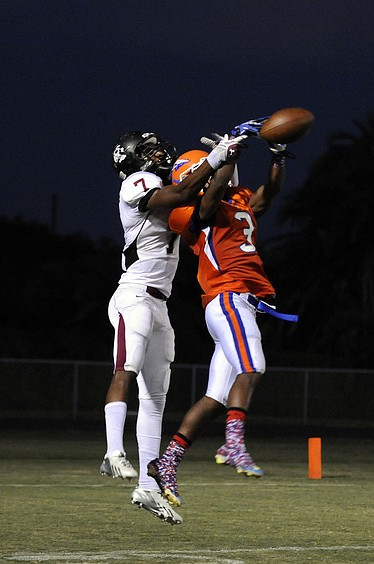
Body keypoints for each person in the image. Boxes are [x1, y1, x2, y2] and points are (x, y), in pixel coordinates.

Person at [102, 130, 244, 525]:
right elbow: (182, 196)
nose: (161, 152)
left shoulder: (173, 185)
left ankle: (147, 486)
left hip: (160, 304)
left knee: (156, 399)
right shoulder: (137, 182)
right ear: (131, 160)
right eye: (149, 150)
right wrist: (214, 158)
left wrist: (229, 158)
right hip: (133, 295)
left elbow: (206, 204)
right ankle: (113, 452)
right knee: (125, 368)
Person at [148, 131, 297, 508]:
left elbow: (270, 192)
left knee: (215, 397)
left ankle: (166, 463)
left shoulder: (239, 199)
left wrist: (278, 156)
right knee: (253, 366)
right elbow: (208, 198)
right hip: (227, 297)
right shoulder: (190, 208)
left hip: (241, 303)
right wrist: (225, 157)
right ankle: (233, 444)